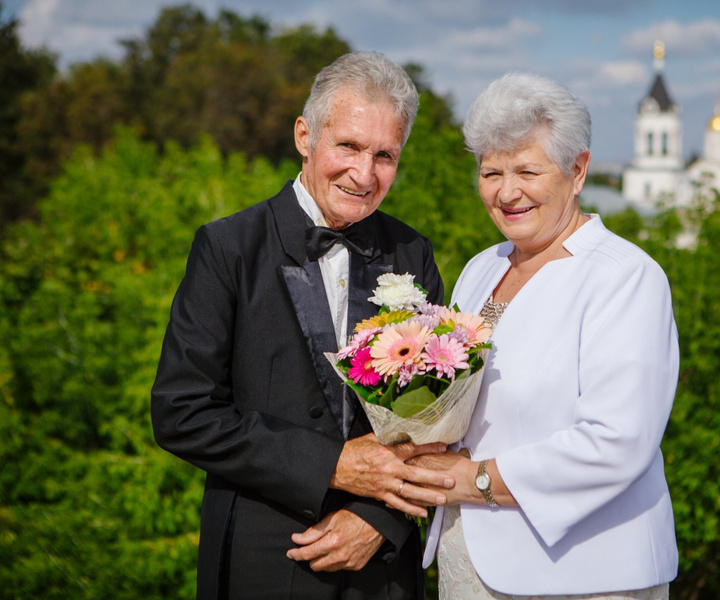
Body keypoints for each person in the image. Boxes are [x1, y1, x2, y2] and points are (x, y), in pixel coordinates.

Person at [151, 51, 455, 600]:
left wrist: (376, 521)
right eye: (349, 146)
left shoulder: (413, 251)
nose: (364, 174)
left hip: (383, 569)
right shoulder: (227, 249)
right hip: (263, 559)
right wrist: (334, 467)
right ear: (304, 135)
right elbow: (181, 412)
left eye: (385, 155)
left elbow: (438, 418)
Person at [410, 73, 680, 599]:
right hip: (468, 558)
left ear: (578, 171)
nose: (507, 192)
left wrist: (474, 480)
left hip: (581, 572)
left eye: (527, 171)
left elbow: (617, 441)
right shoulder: (481, 267)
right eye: (491, 172)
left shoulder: (624, 275)